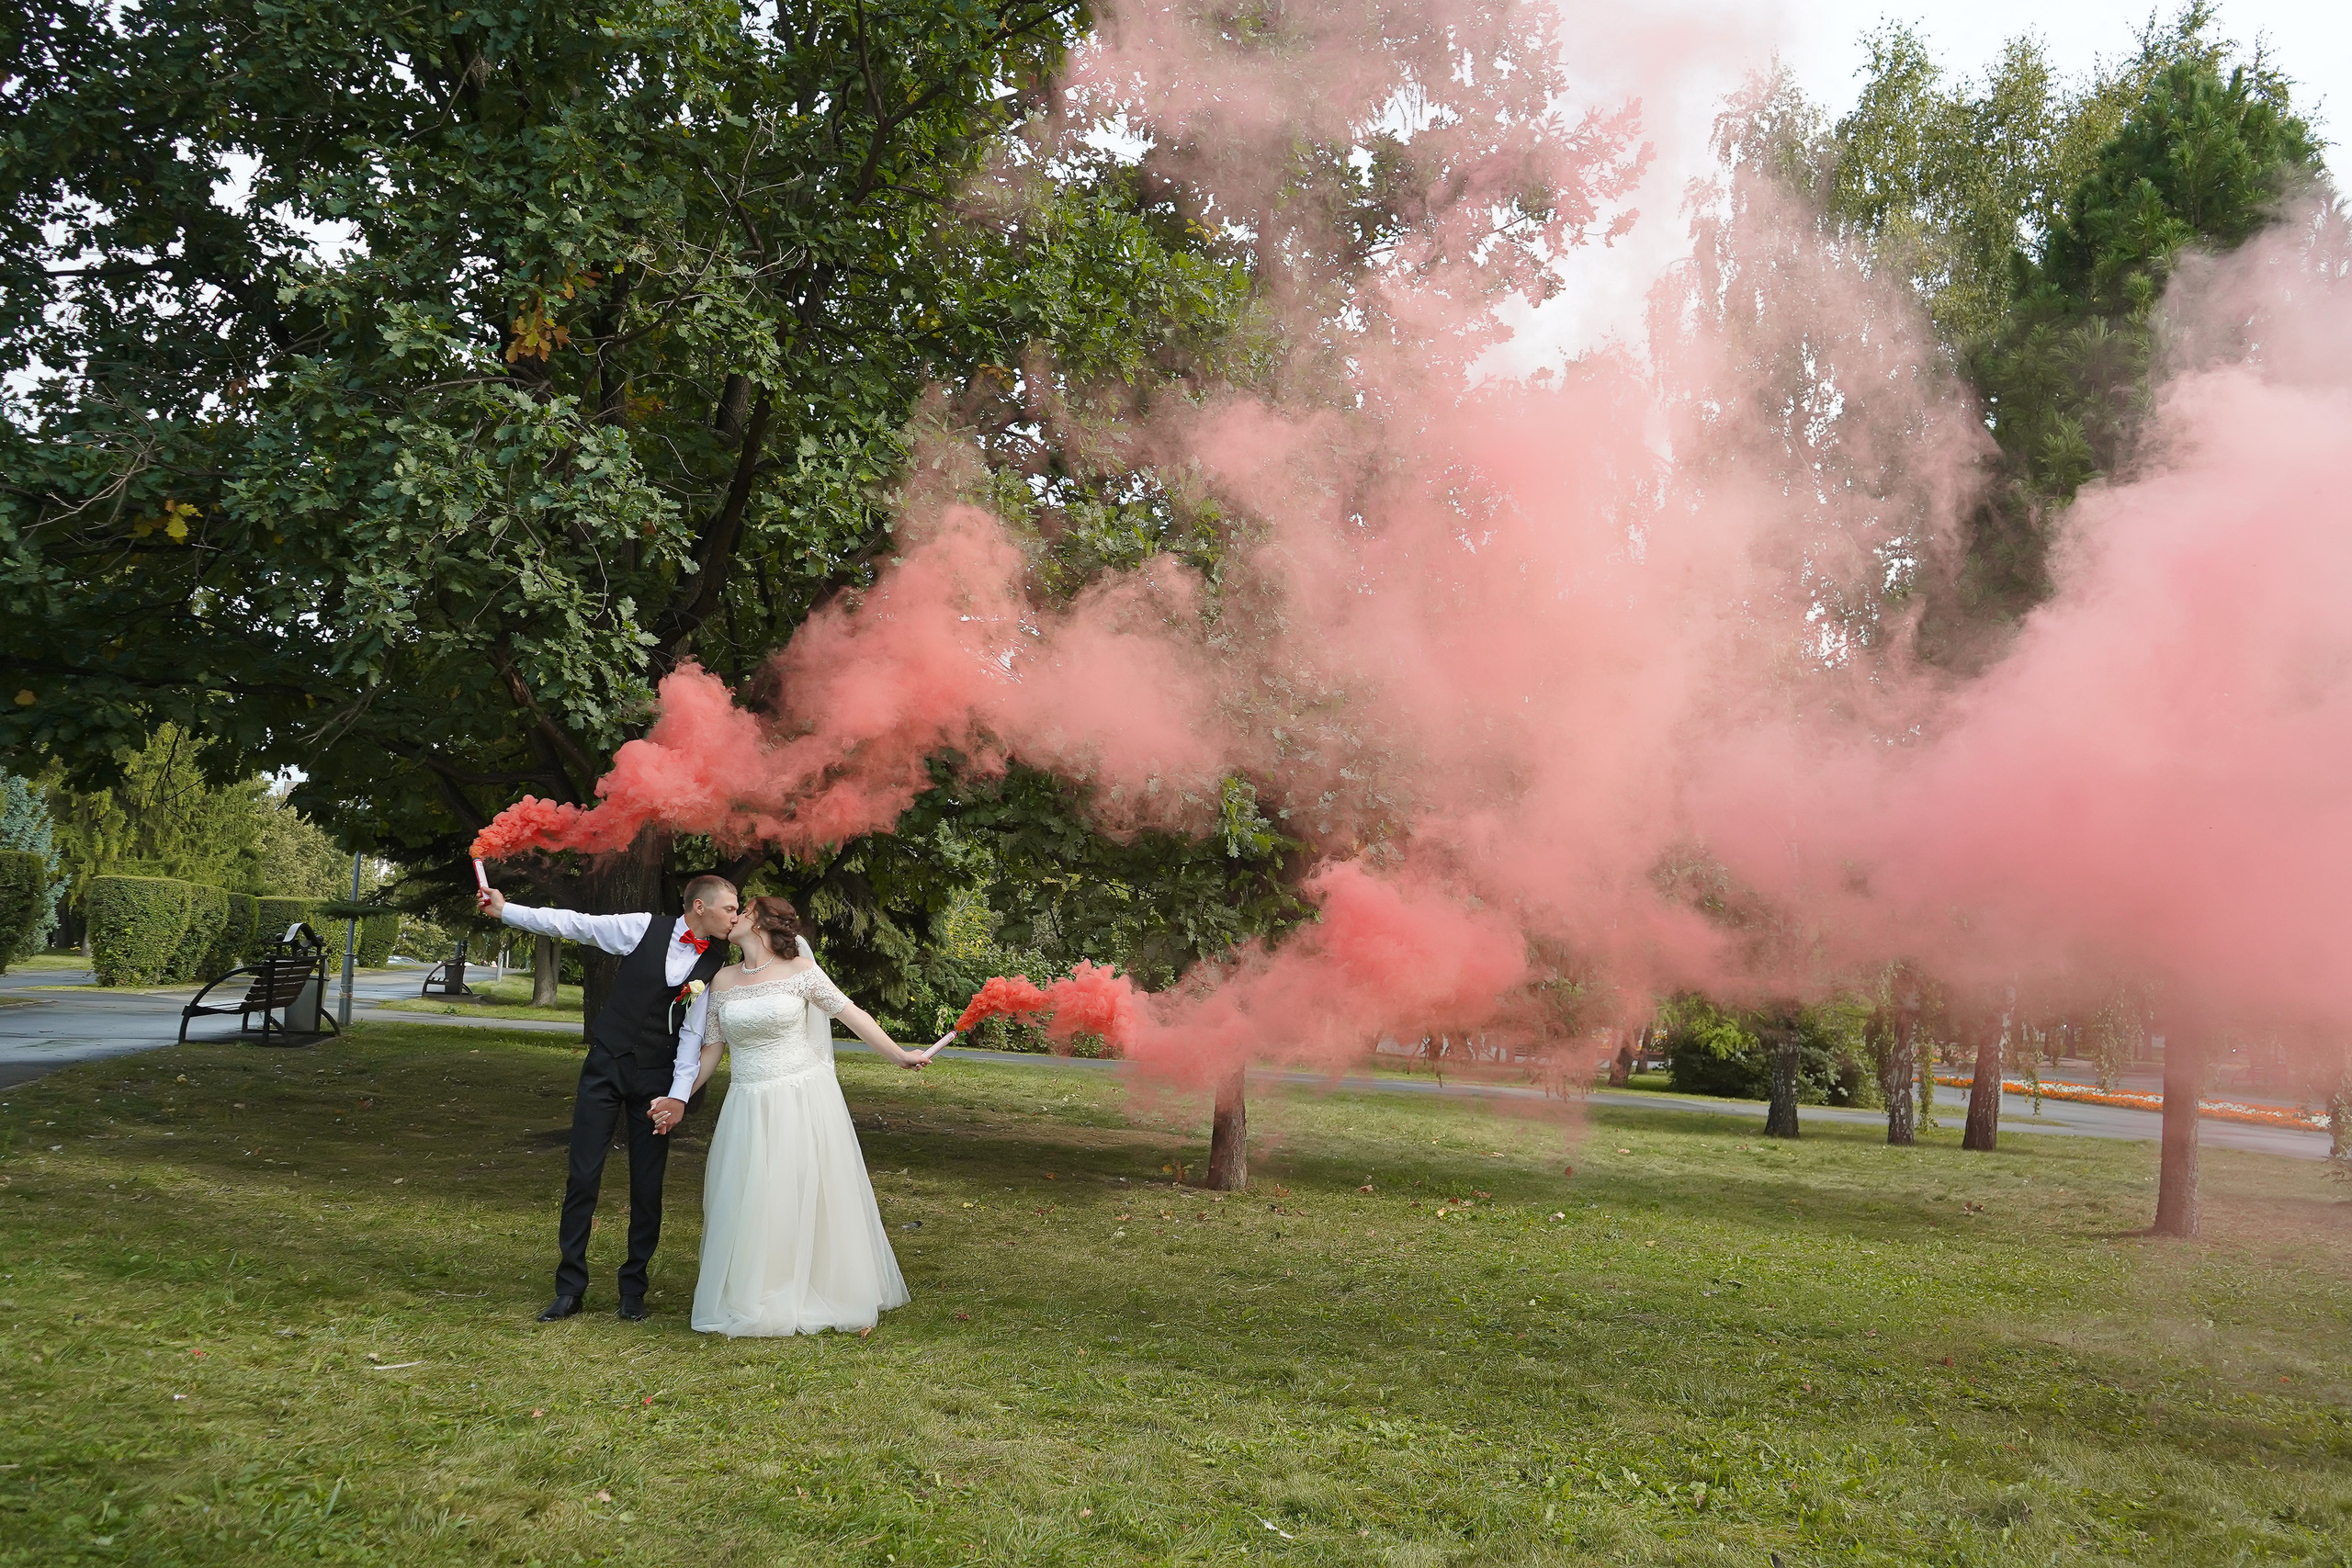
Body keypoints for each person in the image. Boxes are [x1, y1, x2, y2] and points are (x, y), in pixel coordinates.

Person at [479, 874, 739, 1323]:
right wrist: (506, 911)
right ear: (700, 907)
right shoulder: (644, 928)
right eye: (731, 908)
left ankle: (633, 1289)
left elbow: (694, 1034)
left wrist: (676, 1098)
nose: (736, 916)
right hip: (605, 1066)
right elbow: (574, 924)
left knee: (647, 1184)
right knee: (582, 1176)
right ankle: (569, 1288)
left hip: (657, 1078)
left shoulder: (717, 960)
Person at [690, 895, 952, 1337]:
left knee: (793, 1190)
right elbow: (711, 1052)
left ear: (759, 923)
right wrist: (674, 1097)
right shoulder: (722, 981)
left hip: (799, 1097)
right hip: (746, 1103)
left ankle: (809, 1285)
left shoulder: (800, 973)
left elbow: (852, 1014)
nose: (732, 917)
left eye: (742, 911)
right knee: (750, 1193)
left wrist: (898, 1055)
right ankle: (757, 1288)